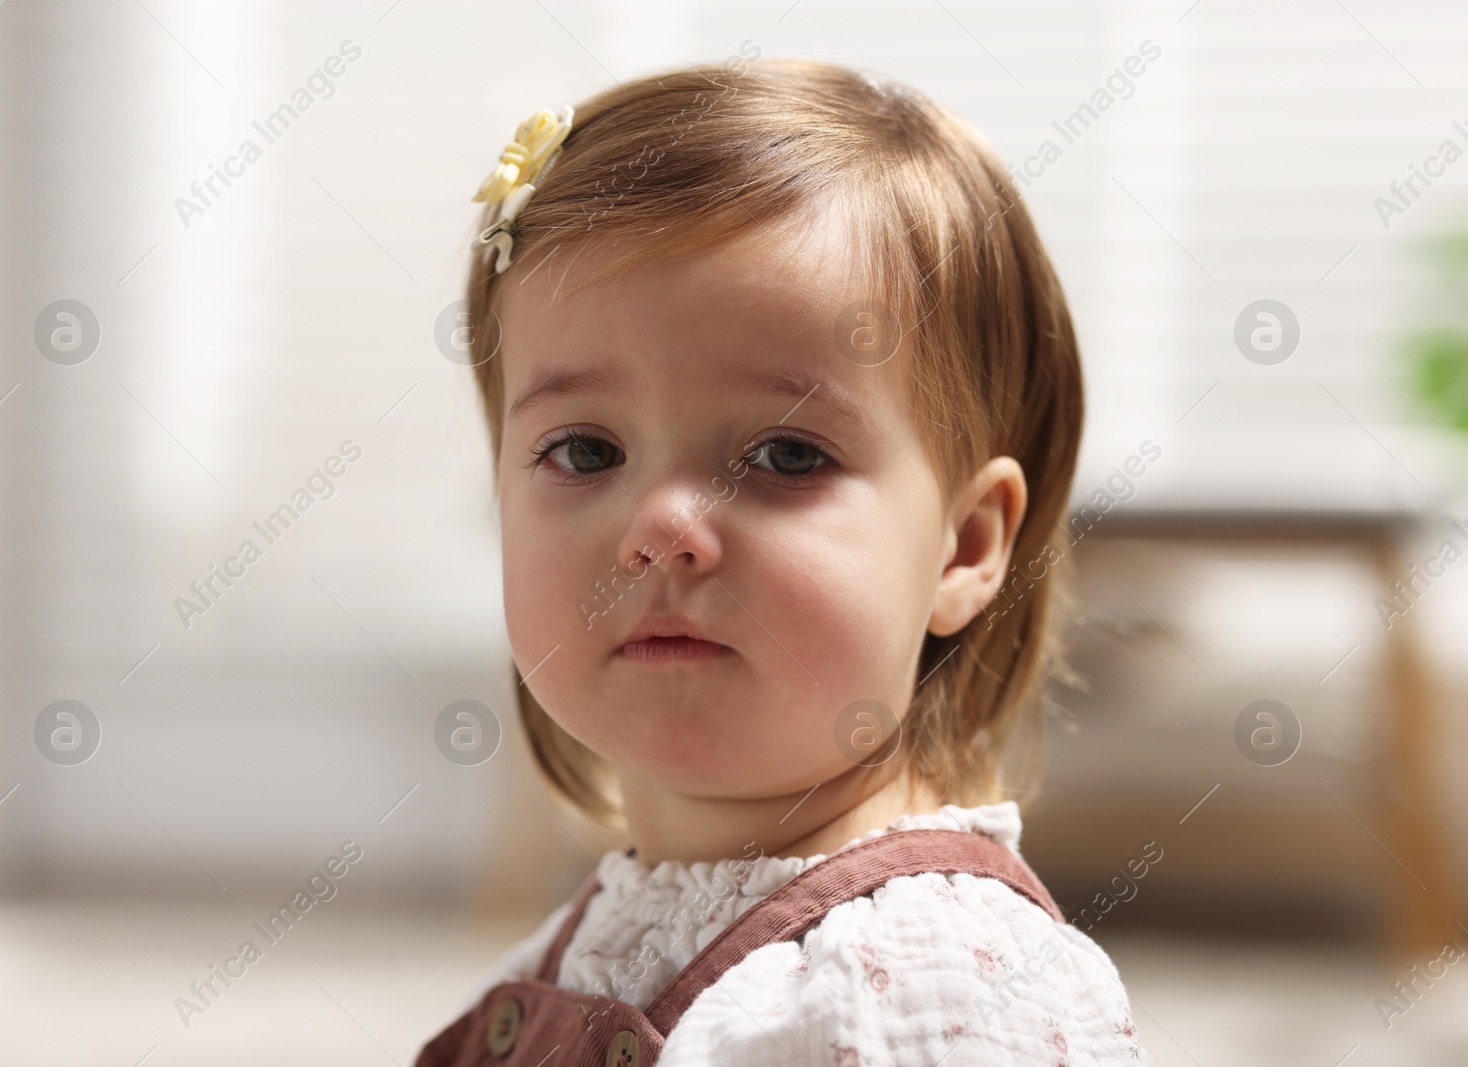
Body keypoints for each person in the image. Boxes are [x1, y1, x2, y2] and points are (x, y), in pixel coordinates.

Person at [418, 55, 1146, 1066]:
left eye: (786, 454)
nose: (663, 524)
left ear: (965, 545)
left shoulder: (932, 984)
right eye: (585, 450)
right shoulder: (566, 953)